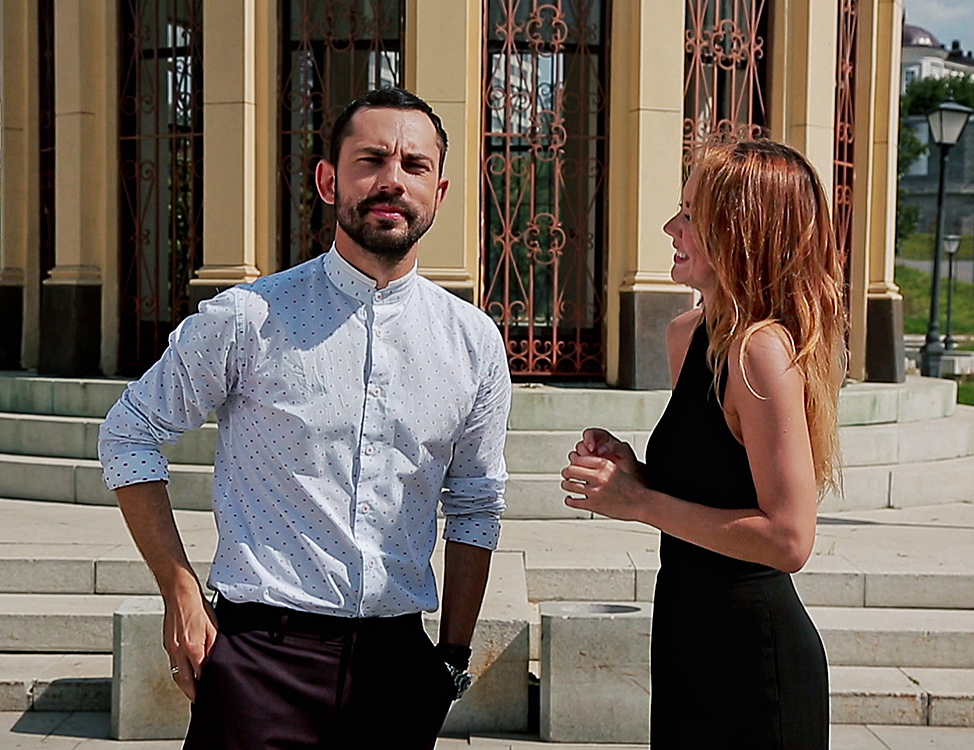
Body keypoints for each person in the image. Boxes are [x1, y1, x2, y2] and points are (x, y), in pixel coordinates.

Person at [99, 87, 512, 750]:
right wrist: (180, 594)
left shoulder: (472, 342)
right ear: (328, 181)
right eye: (370, 160)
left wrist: (452, 659)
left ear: (439, 192)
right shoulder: (250, 318)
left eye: (414, 165)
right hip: (260, 663)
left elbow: (476, 502)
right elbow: (128, 434)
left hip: (397, 671)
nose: (392, 180)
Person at [561, 139, 844, 748]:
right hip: (688, 638)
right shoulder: (689, 334)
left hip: (754, 663)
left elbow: (789, 540)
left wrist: (640, 503)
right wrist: (634, 473)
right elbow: (712, 487)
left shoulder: (759, 351)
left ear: (741, 232)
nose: (672, 227)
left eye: (691, 214)